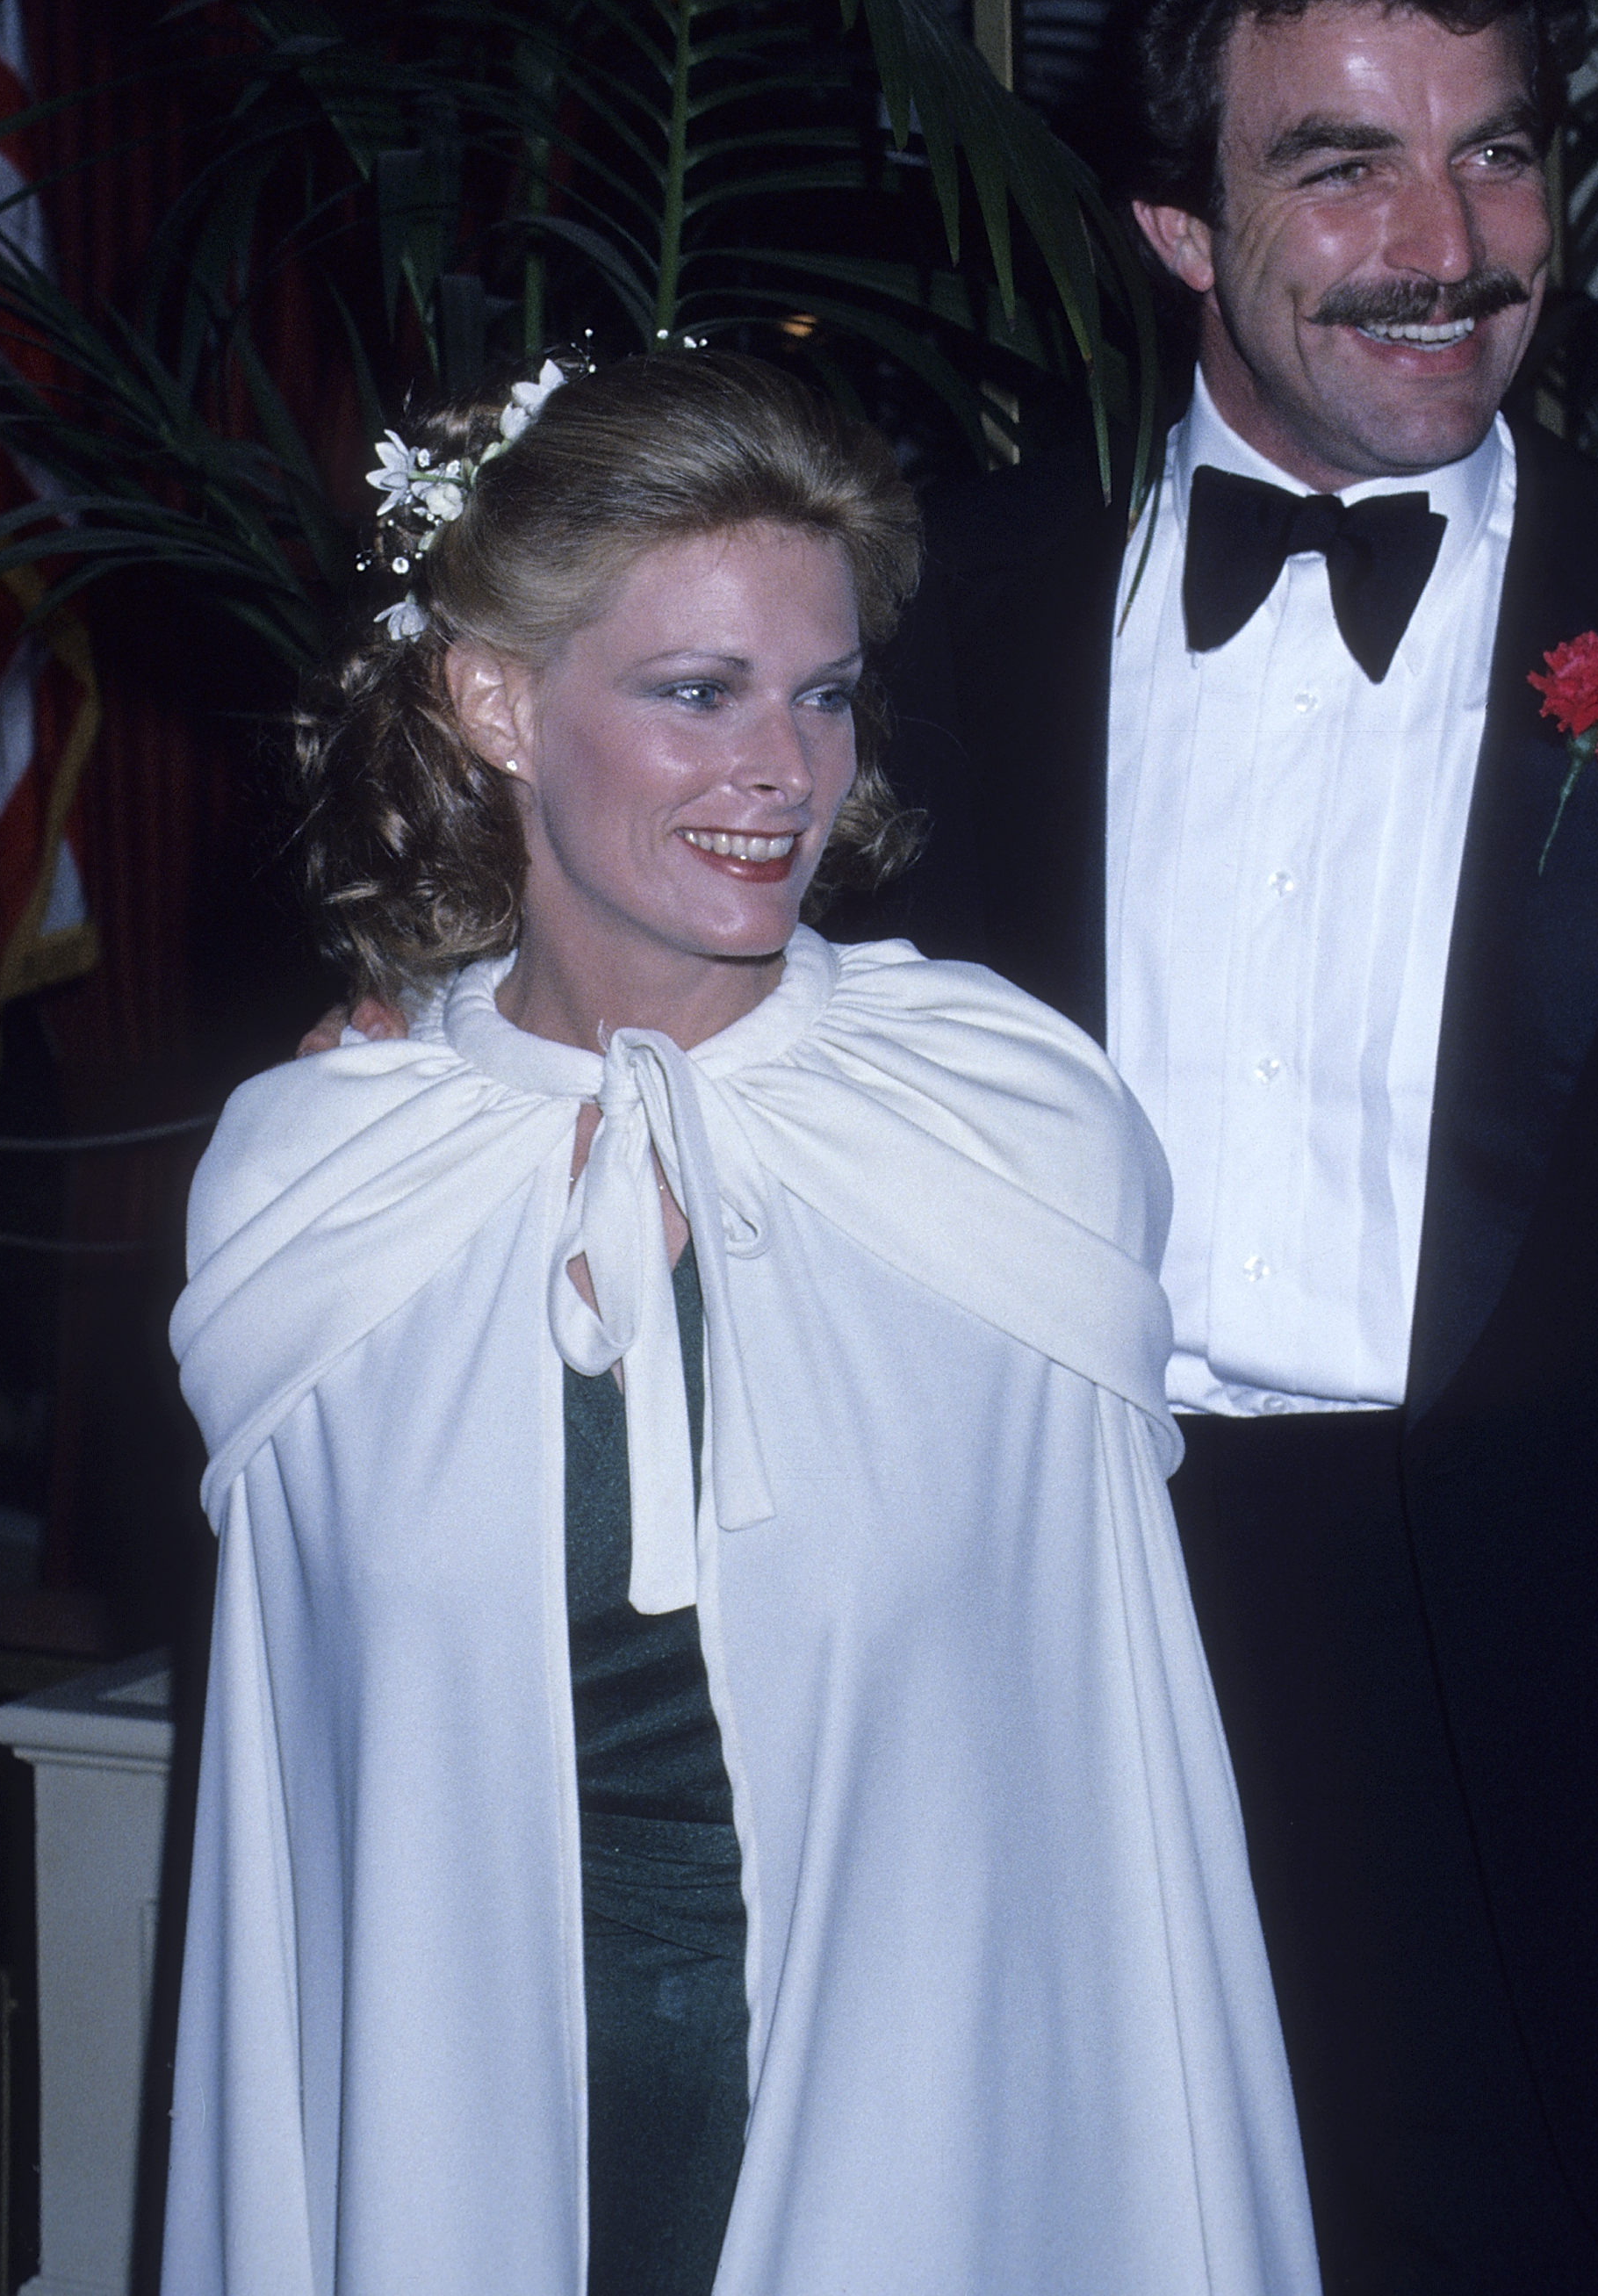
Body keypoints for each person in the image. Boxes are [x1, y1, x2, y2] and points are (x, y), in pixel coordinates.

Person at [855, 0, 1598, 2296]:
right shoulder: (942, 610)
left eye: (1496, 155)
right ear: (1177, 226)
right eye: (1340, 169)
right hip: (1071, 1691)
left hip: (1589, 1760)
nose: (1445, 250)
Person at [162, 353, 1321, 2296]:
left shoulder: (1002, 1123)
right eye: (697, 693)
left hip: (929, 2122)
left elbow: (1086, 1772)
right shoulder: (323, 1179)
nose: (781, 773)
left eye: (825, 693)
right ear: (496, 699)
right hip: (465, 2129)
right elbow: (320, 1814)